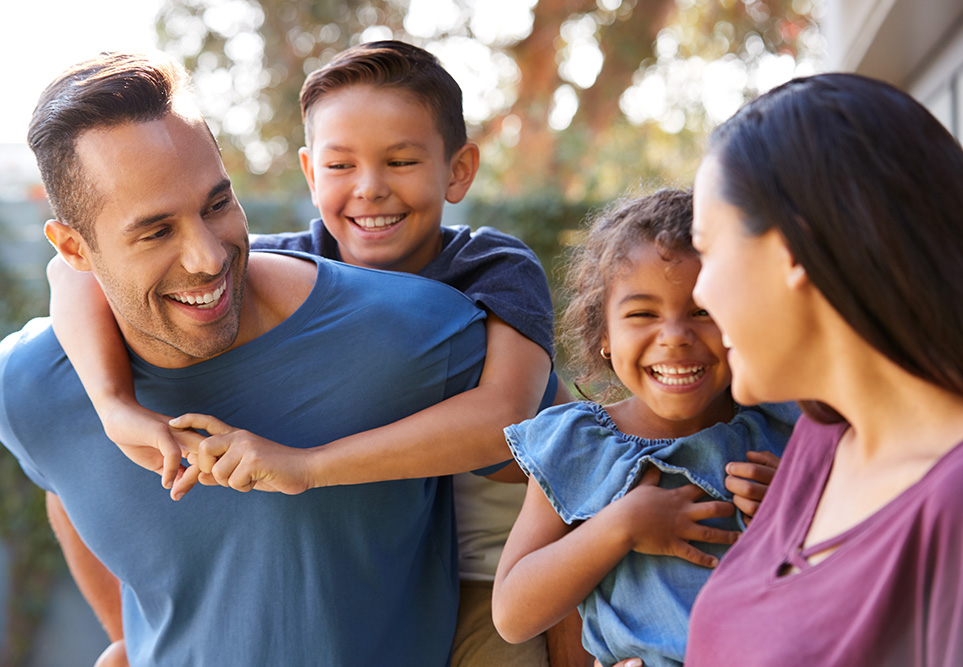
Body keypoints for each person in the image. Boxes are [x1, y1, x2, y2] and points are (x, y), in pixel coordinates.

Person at [45, 42, 585, 666]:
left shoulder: (491, 267)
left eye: (401, 160)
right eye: (340, 166)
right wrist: (113, 405)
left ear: (458, 170)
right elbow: (72, 276)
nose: (370, 189)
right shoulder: (284, 266)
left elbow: (510, 422)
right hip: (377, 556)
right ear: (309, 171)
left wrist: (306, 465)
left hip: (493, 562)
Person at [683, 73, 963, 666]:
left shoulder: (951, 508)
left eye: (707, 249)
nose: (701, 293)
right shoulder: (821, 439)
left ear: (794, 248)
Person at [490, 190, 798, 667]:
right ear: (605, 336)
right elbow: (512, 613)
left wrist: (794, 509)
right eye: (642, 314)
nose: (675, 335)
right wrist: (621, 527)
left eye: (703, 312)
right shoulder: (579, 445)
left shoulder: (784, 427)